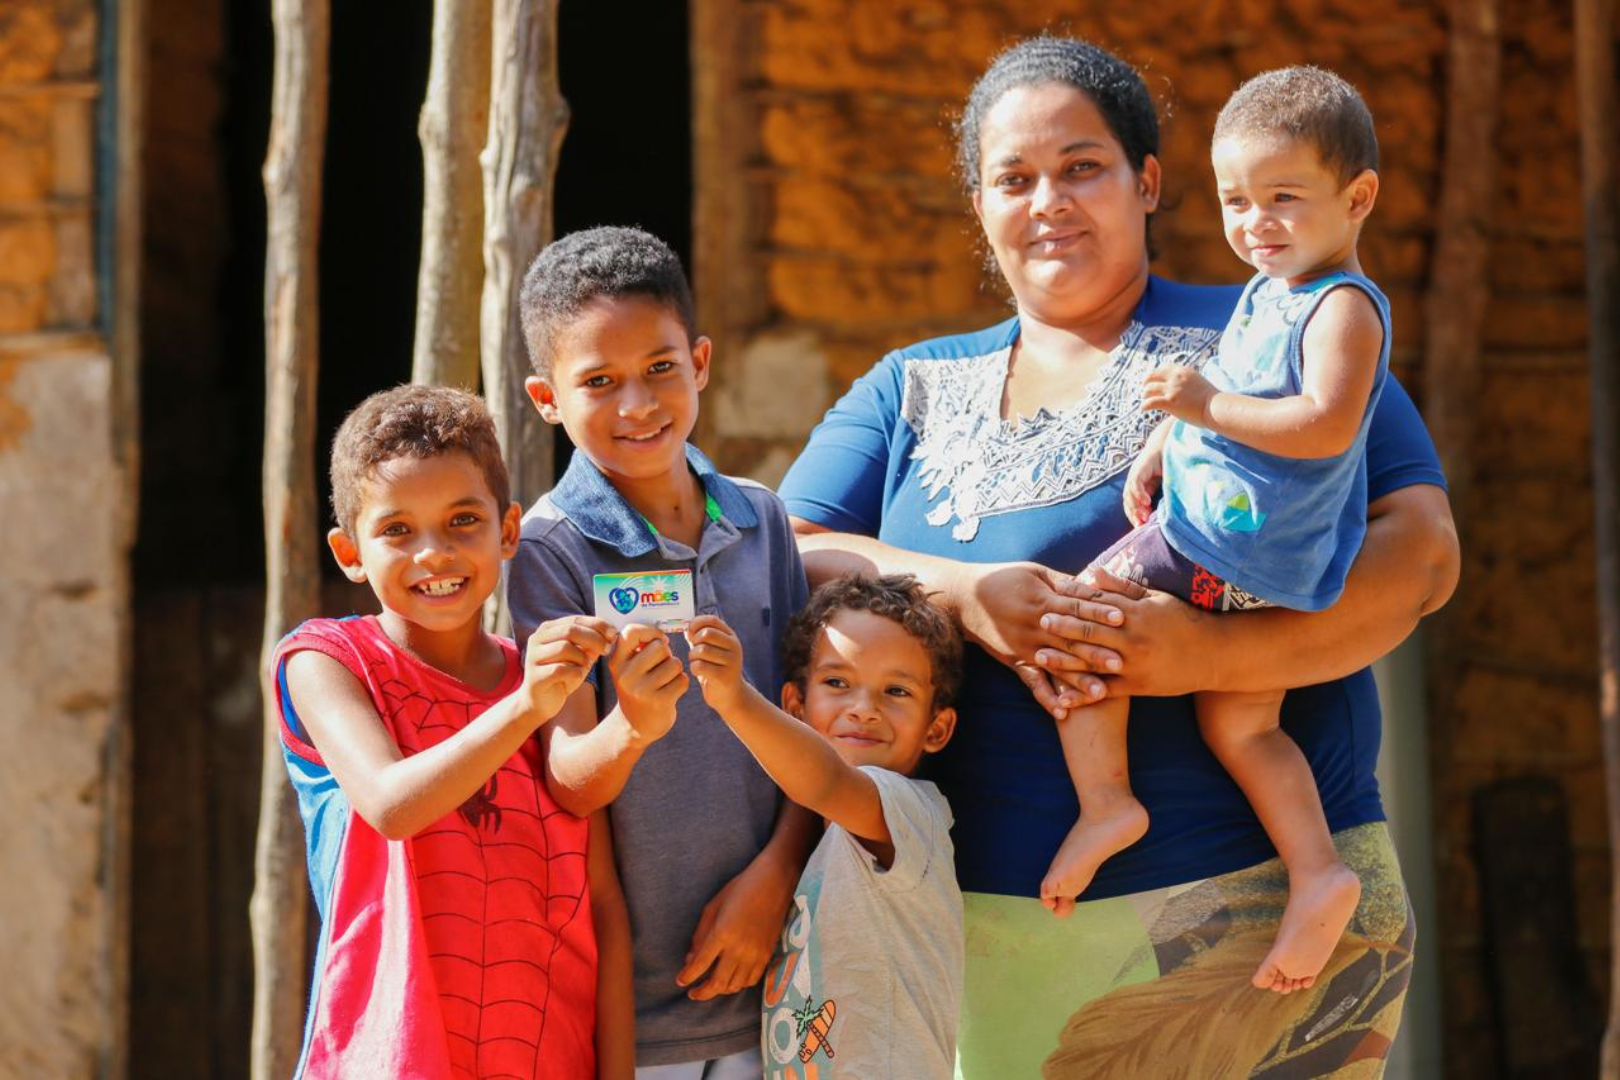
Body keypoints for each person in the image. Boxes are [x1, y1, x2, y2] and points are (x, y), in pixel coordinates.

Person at [776, 36, 1459, 1078]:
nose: (1049, 199)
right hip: (970, 929)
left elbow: (1421, 560)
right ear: (979, 203)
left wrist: (1204, 660)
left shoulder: (1267, 332)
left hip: (1251, 926)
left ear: (1146, 182)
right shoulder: (908, 388)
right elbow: (785, 549)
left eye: (1082, 167)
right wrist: (965, 593)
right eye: (1014, 178)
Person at [1042, 66, 1390, 997]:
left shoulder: (1341, 307)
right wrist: (1170, 432)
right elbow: (1238, 383)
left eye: (1284, 198)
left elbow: (1323, 424)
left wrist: (1202, 402)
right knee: (1244, 723)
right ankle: (1318, 872)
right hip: (1258, 561)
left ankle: (1109, 803)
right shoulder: (1271, 293)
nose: (1256, 222)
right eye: (1239, 200)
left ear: (1356, 199)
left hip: (1222, 548)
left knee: (1074, 627)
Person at [507, 225, 816, 1077]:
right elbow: (569, 778)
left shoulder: (761, 518)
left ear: (702, 362)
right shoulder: (551, 550)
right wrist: (634, 726)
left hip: (786, 969)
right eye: (598, 382)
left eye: (660, 369)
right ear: (545, 398)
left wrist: (778, 875)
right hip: (638, 1009)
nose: (637, 405)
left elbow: (813, 728)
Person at [273, 384, 634, 1079]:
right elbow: (390, 804)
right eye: (397, 530)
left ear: (507, 532)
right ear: (350, 552)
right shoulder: (324, 661)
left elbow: (605, 906)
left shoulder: (551, 682)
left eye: (463, 520)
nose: (433, 554)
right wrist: (528, 704)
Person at [685, 574, 965, 1078]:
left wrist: (734, 699)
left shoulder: (908, 811)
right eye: (837, 683)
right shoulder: (824, 836)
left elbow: (826, 782)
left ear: (937, 728)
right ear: (796, 704)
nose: (863, 709)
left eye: (895, 691)